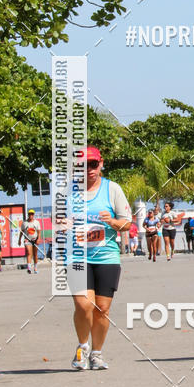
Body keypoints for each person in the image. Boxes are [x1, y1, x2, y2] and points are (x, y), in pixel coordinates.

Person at [69, 146, 132, 370]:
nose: (89, 169)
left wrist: (112, 222)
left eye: (93, 164)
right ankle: (82, 346)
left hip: (107, 256)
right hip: (77, 256)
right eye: (83, 165)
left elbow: (127, 224)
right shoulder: (68, 191)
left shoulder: (112, 189)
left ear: (101, 163)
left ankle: (96, 353)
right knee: (84, 305)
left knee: (102, 309)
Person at [18, 208, 42, 273]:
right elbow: (21, 232)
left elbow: (39, 232)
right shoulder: (24, 223)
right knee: (29, 253)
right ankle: (29, 268)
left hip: (35, 239)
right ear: (28, 215)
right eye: (30, 214)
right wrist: (19, 240)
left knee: (35, 254)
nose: (31, 215)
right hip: (27, 240)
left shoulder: (36, 222)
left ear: (33, 215)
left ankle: (35, 268)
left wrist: (39, 239)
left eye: (32, 214)